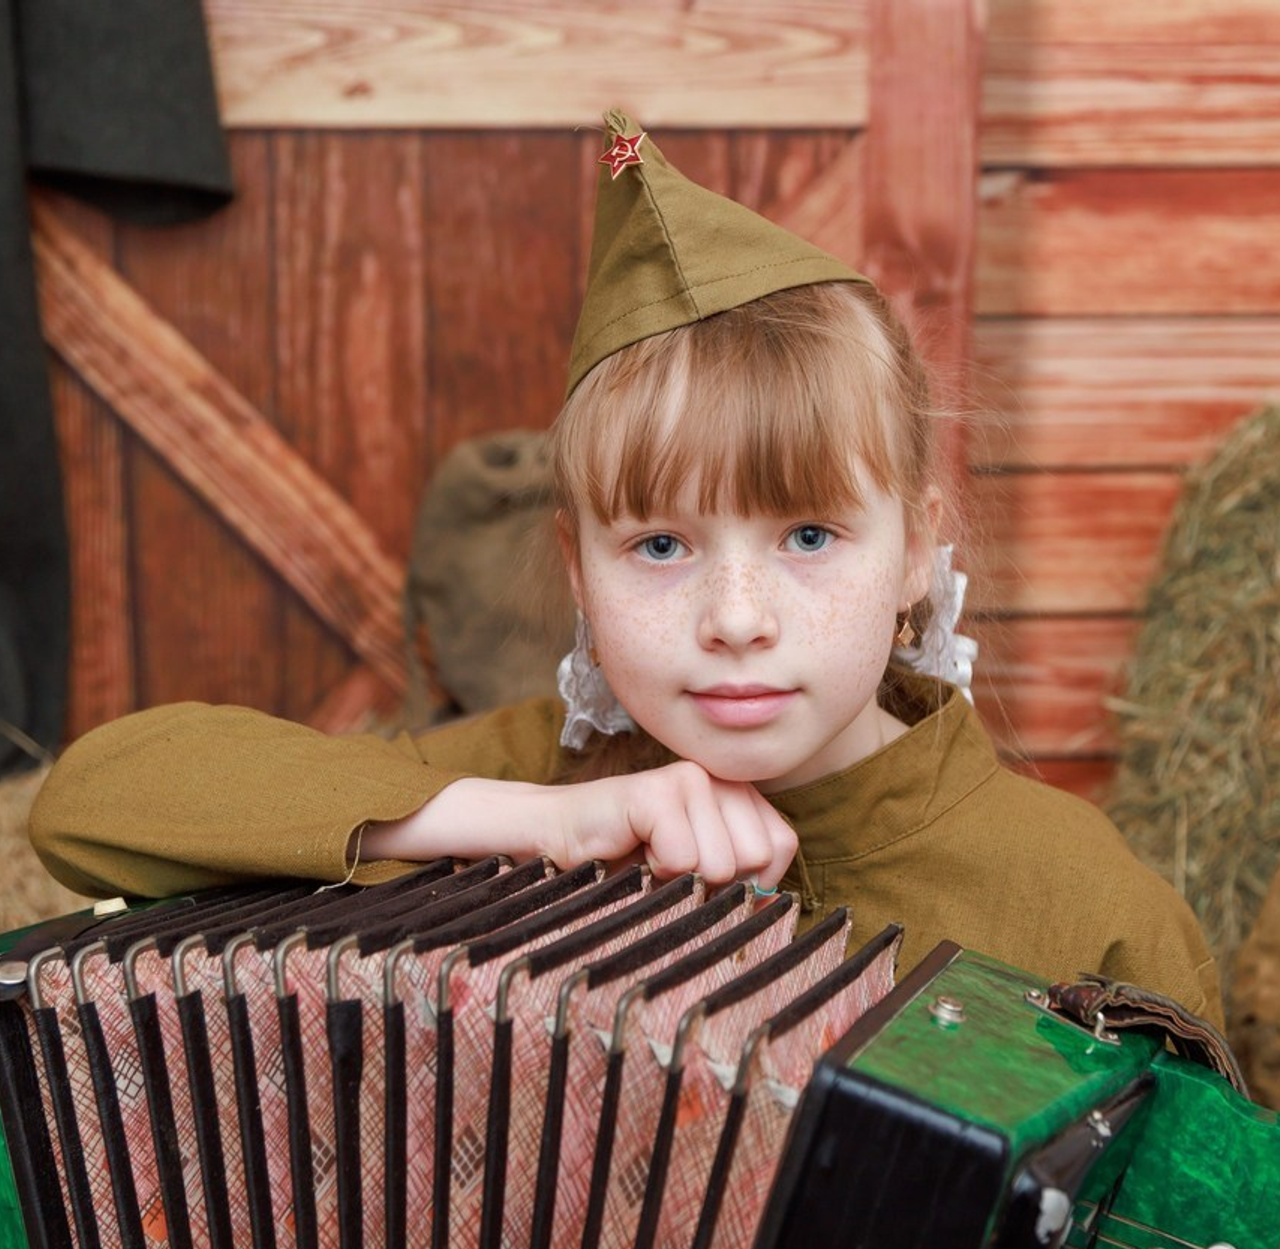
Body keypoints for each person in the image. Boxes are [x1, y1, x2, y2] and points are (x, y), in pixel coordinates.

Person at [28, 109, 1222, 1026]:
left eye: (809, 535)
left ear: (915, 549)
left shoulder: (1089, 913)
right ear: (577, 567)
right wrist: (553, 817)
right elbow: (91, 807)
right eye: (659, 545)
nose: (737, 619)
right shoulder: (527, 778)